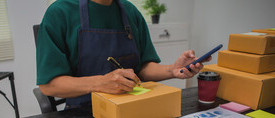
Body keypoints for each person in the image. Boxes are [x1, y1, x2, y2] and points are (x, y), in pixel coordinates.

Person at [36, 0, 210, 108]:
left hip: (131, 108)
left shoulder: (130, 12)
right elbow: (49, 85)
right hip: (82, 115)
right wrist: (101, 82)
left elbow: (142, 68)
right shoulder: (59, 13)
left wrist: (171, 70)